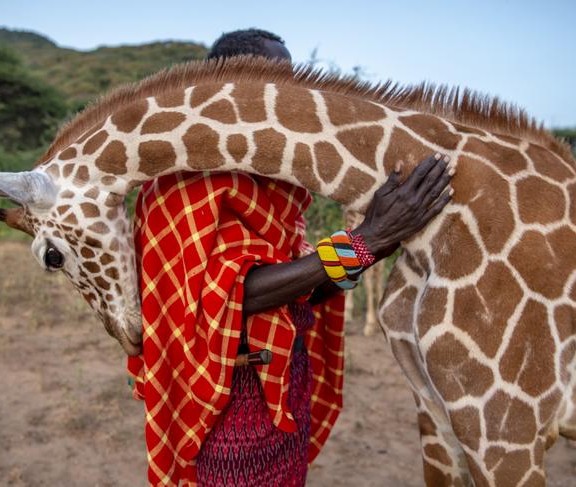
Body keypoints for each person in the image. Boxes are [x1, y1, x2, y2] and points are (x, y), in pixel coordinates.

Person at [127, 29, 453, 486]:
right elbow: (229, 295)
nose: (292, 97)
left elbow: (295, 290)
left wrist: (380, 242)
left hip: (285, 383)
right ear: (228, 86)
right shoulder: (178, 185)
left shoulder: (277, 185)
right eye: (277, 82)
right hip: (223, 401)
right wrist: (367, 240)